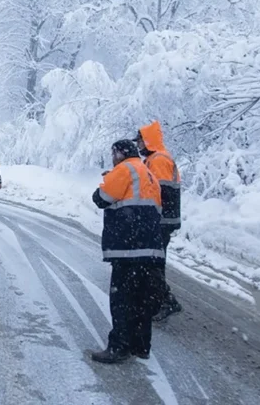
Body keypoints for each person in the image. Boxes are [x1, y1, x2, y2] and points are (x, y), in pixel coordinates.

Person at [91, 139, 165, 363]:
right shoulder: (149, 172)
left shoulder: (124, 169)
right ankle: (140, 346)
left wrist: (107, 179)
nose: (112, 158)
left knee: (122, 299)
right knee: (142, 298)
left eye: (113, 153)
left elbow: (101, 198)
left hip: (128, 248)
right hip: (151, 247)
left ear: (121, 153)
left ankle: (119, 347)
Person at [134, 121, 183, 322]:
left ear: (148, 141)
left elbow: (158, 192)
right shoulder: (153, 159)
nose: (137, 145)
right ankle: (156, 300)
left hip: (161, 221)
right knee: (151, 262)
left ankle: (165, 301)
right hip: (160, 220)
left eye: (139, 141)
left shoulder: (159, 160)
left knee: (151, 263)